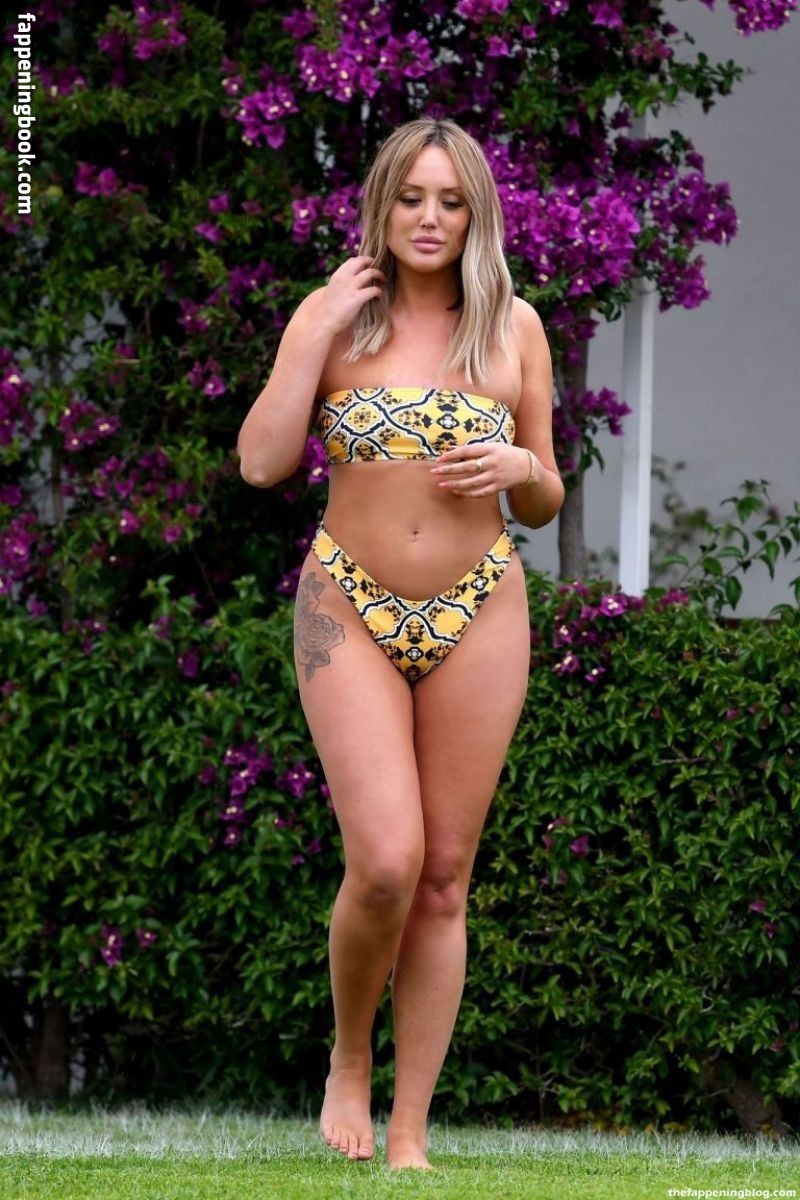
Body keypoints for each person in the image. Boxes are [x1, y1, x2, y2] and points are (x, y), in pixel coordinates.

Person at [237, 116, 564, 1171]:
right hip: (347, 602)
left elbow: (547, 494)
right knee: (384, 861)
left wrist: (521, 467)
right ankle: (348, 1057)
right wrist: (310, 330)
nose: (430, 218)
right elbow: (260, 464)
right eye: (412, 198)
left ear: (475, 214)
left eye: (450, 201)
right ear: (383, 205)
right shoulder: (334, 316)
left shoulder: (513, 327)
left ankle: (411, 1130)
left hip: (481, 603)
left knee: (444, 875)